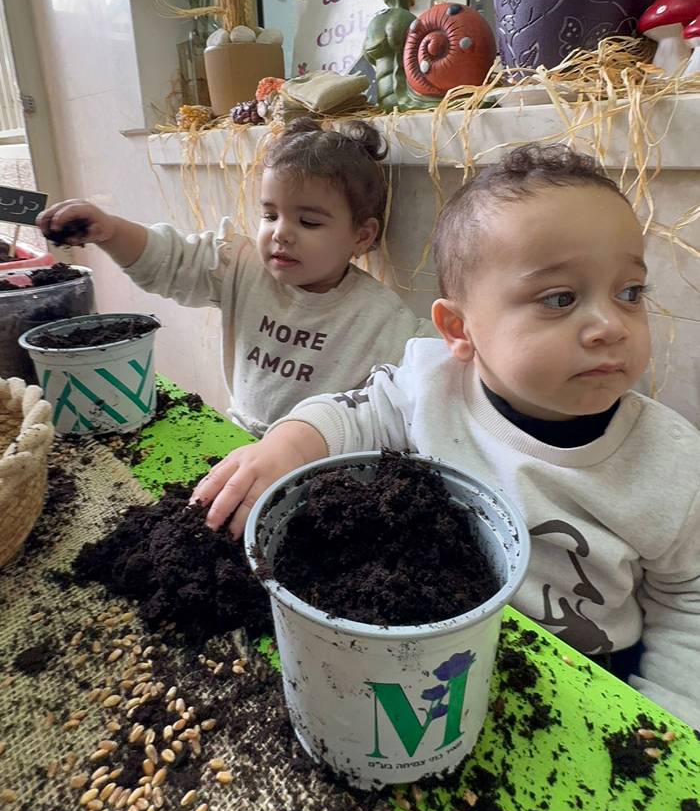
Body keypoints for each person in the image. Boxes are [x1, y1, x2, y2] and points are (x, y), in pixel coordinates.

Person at [196, 143, 700, 730]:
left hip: (590, 684)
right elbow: (352, 413)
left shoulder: (671, 462)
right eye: (560, 298)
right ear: (460, 330)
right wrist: (285, 446)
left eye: (630, 293)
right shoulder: (431, 388)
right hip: (435, 659)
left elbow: (688, 599)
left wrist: (670, 718)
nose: (610, 326)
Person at [37, 117, 435, 440]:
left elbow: (428, 370)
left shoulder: (379, 317)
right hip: (238, 440)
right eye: (269, 215)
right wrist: (110, 231)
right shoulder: (240, 265)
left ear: (361, 236)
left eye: (309, 221)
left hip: (320, 467)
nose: (281, 233)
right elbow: (170, 260)